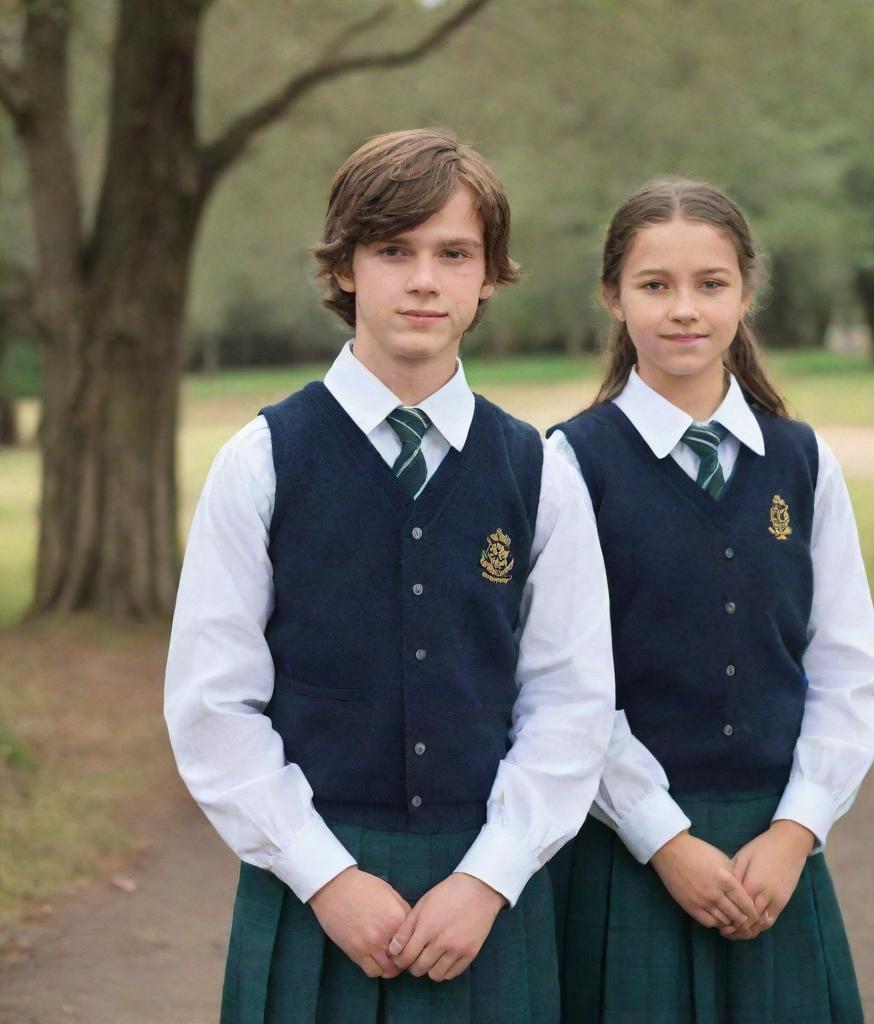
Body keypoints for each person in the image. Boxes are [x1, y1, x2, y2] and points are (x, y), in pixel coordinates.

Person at [164, 128, 615, 1024]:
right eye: (394, 250)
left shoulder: (538, 470)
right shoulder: (261, 462)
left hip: (484, 887)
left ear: (488, 277)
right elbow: (213, 705)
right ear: (344, 268)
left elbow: (570, 697)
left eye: (454, 254)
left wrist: (489, 878)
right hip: (314, 885)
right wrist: (326, 877)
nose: (423, 280)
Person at [548, 179, 874, 1023]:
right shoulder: (569, 466)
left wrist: (795, 832)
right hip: (629, 854)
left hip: (778, 855)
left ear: (745, 292)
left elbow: (844, 669)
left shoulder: (803, 463)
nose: (684, 310)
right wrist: (663, 837)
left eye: (711, 283)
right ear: (613, 297)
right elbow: (565, 691)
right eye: (655, 285)